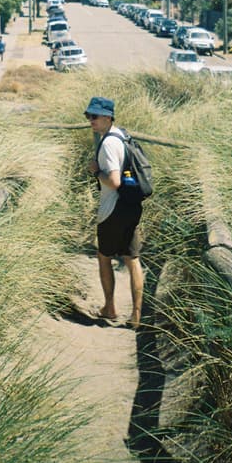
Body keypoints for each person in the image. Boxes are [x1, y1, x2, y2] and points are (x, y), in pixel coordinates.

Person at [85, 95, 144, 328]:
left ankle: (109, 308)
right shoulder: (123, 136)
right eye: (88, 115)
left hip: (112, 210)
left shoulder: (108, 143)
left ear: (108, 117)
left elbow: (114, 181)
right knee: (133, 260)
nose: (91, 120)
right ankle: (137, 317)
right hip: (131, 207)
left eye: (95, 116)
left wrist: (95, 171)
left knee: (104, 257)